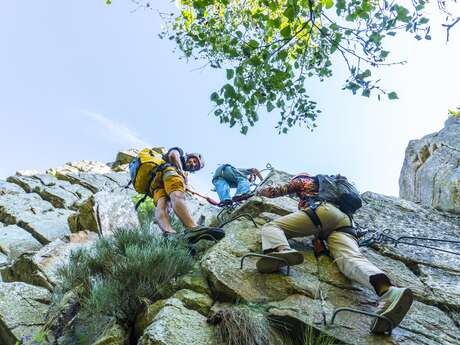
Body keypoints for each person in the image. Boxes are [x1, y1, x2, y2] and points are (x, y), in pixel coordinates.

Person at [255, 173, 413, 334]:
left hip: (322, 212)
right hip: (346, 223)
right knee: (349, 260)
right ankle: (388, 292)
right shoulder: (333, 189)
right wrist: (321, 250)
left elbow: (278, 190)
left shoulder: (304, 180)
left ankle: (280, 250)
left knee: (272, 227)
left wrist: (259, 191)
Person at [149, 147, 224, 242]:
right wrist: (182, 173)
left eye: (196, 165)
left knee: (163, 205)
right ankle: (192, 227)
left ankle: (170, 235)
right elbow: (173, 155)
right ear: (189, 156)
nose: (193, 164)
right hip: (168, 172)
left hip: (155, 183)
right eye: (194, 160)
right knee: (177, 195)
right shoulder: (179, 152)